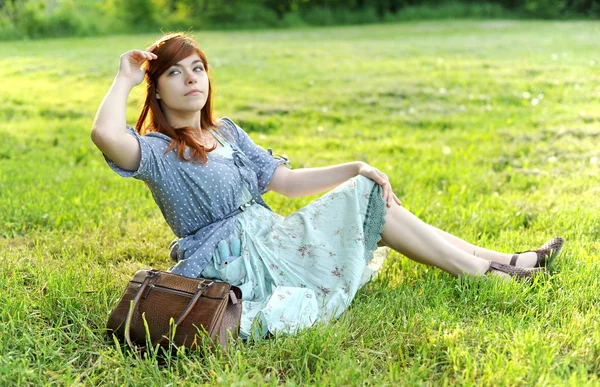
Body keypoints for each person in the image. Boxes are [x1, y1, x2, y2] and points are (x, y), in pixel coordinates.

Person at [91, 33, 564, 339]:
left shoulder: (227, 133)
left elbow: (288, 183)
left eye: (197, 68)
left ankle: (505, 262)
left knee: (370, 195)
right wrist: (124, 78)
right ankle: (492, 273)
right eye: (174, 72)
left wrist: (356, 166)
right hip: (236, 260)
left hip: (271, 237)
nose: (191, 79)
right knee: (366, 202)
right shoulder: (157, 151)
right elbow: (106, 135)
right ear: (156, 90)